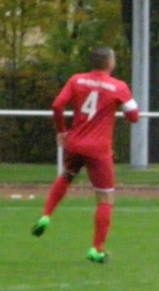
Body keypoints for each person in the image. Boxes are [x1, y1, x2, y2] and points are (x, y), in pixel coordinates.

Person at [31, 46, 140, 264]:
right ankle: (96, 249)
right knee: (105, 199)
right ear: (110, 63)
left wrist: (61, 131)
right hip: (99, 150)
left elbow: (57, 105)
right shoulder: (119, 86)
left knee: (66, 176)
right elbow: (134, 117)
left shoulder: (76, 80)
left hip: (75, 143)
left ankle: (46, 215)